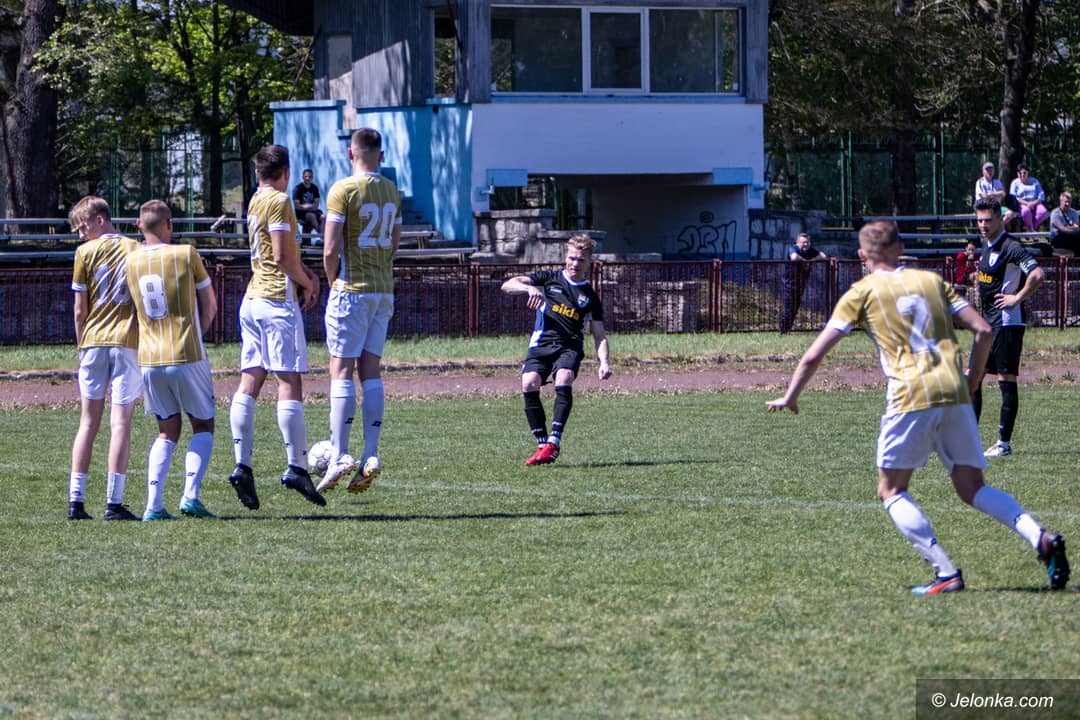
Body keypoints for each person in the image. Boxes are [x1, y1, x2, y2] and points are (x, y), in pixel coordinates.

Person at [767, 220, 1069, 594]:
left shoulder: (861, 292)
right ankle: (1040, 537)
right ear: (900, 249)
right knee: (972, 487)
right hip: (954, 389)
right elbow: (984, 330)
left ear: (862, 256)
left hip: (910, 392)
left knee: (891, 490)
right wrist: (973, 378)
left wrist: (791, 395)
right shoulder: (931, 281)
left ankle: (946, 573)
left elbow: (814, 355)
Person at [228, 144, 325, 509]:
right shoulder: (281, 200)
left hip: (252, 299)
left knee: (250, 380)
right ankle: (297, 467)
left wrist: (304, 273)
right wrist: (309, 281)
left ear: (258, 173)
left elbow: (275, 252)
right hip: (275, 301)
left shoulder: (255, 199)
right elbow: (283, 257)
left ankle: (242, 465)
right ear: (286, 172)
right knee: (289, 381)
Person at [317, 128, 401, 494]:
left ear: (350, 154)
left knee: (340, 370)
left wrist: (332, 279)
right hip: (382, 289)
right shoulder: (392, 191)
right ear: (380, 155)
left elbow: (330, 248)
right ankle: (371, 453)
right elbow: (395, 240)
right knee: (371, 371)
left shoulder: (343, 189)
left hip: (351, 289)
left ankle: (339, 454)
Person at [124, 200, 218, 521]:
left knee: (166, 431)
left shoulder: (131, 261)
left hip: (149, 359)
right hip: (186, 352)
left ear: (139, 226)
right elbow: (210, 305)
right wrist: (197, 334)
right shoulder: (186, 253)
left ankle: (153, 505)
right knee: (202, 425)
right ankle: (190, 496)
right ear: (170, 224)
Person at [501, 234, 612, 466]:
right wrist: (528, 289)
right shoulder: (548, 278)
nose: (575, 263)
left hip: (569, 346)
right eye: (572, 258)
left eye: (581, 260)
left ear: (589, 262)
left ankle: (554, 441)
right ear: (565, 257)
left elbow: (599, 335)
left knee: (564, 377)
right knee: (529, 383)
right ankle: (542, 444)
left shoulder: (590, 297)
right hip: (541, 344)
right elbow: (507, 285)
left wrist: (604, 362)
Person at [66, 196, 142, 521]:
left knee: (88, 422)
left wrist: (81, 343)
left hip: (94, 341)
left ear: (100, 219)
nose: (81, 234)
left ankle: (76, 501)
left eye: (83, 227)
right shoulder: (135, 249)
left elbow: (79, 309)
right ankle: (114, 502)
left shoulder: (84, 253)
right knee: (120, 422)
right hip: (126, 341)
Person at [972, 198, 1045, 458]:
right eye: (979, 220)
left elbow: (1037, 274)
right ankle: (969, 440)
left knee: (1006, 379)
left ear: (1000, 219)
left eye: (987, 220)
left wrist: (1017, 297)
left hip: (1006, 323)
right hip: (987, 324)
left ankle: (1003, 443)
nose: (983, 225)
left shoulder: (1011, 247)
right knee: (973, 377)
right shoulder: (986, 244)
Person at [779, 232, 827, 334]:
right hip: (790, 283)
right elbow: (794, 257)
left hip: (800, 283)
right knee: (789, 307)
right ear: (797, 242)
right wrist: (804, 261)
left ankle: (788, 329)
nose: (806, 244)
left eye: (807, 242)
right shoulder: (794, 248)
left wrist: (811, 260)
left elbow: (823, 256)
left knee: (795, 307)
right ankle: (783, 330)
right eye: (803, 242)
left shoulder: (809, 250)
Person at [974, 162, 1019, 226]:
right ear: (983, 172)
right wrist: (996, 194)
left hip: (996, 208)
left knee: (1011, 213)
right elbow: (983, 195)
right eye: (987, 170)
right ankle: (996, 227)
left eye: (991, 170)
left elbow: (1003, 194)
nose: (990, 172)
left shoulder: (997, 182)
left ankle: (999, 225)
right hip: (983, 208)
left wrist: (991, 194)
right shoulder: (980, 182)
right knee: (991, 216)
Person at [1008, 164, 1049, 232]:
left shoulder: (1034, 181)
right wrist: (1027, 203)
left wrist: (1033, 203)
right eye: (1020, 173)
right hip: (1022, 204)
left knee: (1043, 212)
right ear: (1017, 174)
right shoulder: (1015, 183)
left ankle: (1031, 228)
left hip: (1035, 203)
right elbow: (1014, 197)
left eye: (1024, 173)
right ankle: (1032, 229)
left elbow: (1041, 195)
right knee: (1026, 211)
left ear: (1028, 173)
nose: (1022, 175)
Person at [293, 168, 324, 242]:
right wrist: (310, 206)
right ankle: (322, 236)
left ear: (312, 177)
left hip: (313, 210)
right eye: (306, 176)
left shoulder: (314, 188)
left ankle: (322, 236)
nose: (307, 178)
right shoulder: (298, 189)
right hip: (301, 213)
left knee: (323, 217)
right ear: (302, 177)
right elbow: (297, 206)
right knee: (311, 216)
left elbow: (316, 204)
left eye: (309, 176)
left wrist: (307, 206)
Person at [1049, 191, 1080, 255]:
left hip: (1071, 237)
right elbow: (1062, 229)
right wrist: (1071, 228)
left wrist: (1067, 228)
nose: (1067, 204)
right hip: (1057, 238)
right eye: (1066, 202)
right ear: (1061, 201)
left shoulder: (1074, 212)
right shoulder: (1055, 213)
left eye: (1069, 202)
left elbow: (1077, 228)